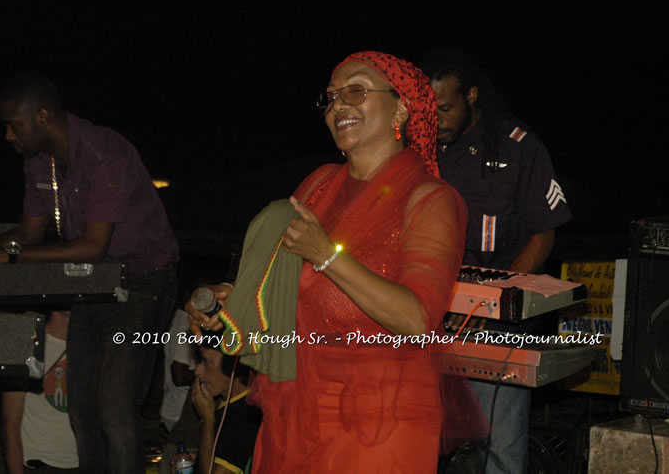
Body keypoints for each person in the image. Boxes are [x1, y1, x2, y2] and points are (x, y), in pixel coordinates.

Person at [187, 51, 485, 473]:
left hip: (379, 424)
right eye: (330, 98)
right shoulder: (318, 186)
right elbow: (288, 290)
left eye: (355, 92)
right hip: (295, 411)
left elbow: (418, 317)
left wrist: (327, 255)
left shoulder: (431, 200)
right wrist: (231, 304)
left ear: (401, 105)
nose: (338, 106)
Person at [0, 73, 179, 473]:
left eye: (13, 124)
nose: (7, 135)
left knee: (115, 409)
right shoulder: (40, 162)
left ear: (41, 116)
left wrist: (14, 257)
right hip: (93, 282)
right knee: (81, 407)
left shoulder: (103, 151)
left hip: (145, 282)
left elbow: (92, 246)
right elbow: (30, 232)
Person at [420, 48, 572, 474]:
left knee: (500, 447)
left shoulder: (518, 146)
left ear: (471, 95)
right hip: (425, 319)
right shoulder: (415, 146)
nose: (437, 121)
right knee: (422, 441)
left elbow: (544, 232)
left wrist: (494, 299)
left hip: (495, 325)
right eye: (429, 110)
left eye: (446, 108)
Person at [0, 311, 79, 473]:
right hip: (37, 462)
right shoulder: (25, 343)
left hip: (83, 462)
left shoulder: (92, 345)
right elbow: (10, 424)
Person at [191, 342, 262, 474]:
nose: (197, 371)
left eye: (207, 362)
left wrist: (206, 421)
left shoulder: (246, 415)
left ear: (232, 365)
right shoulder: (226, 404)